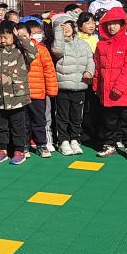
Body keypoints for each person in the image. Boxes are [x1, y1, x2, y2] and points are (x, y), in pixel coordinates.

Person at [0, 21, 37, 164]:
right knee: (1, 126)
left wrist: (20, 37)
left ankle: (19, 150)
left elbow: (33, 52)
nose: (2, 40)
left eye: (6, 37)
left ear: (13, 36)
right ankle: (2, 150)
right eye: (0, 37)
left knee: (18, 126)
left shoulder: (20, 52)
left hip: (17, 98)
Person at [92, 8, 127, 159]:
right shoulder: (101, 45)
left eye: (115, 23)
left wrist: (119, 87)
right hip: (107, 91)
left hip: (125, 90)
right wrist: (96, 85)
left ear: (122, 24)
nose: (111, 27)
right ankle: (109, 145)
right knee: (109, 121)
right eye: (108, 24)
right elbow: (98, 67)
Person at [51, 15, 94, 156]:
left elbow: (90, 60)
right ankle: (63, 141)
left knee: (76, 116)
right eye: (62, 26)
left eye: (69, 24)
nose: (66, 28)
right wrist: (58, 32)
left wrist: (89, 71)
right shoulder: (58, 45)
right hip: (63, 87)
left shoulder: (83, 44)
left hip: (80, 86)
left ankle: (75, 139)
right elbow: (57, 50)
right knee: (62, 116)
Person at [21, 21, 57, 157]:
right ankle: (24, 146)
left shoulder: (41, 49)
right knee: (23, 122)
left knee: (39, 120)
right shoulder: (17, 50)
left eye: (25, 35)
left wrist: (51, 90)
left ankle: (41, 144)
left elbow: (49, 70)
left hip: (38, 92)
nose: (23, 38)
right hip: (22, 93)